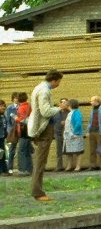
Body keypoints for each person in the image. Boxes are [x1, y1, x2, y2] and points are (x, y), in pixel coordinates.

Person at [28, 70, 63, 201]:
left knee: (40, 160)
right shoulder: (44, 90)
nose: (58, 84)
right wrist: (59, 108)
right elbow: (46, 111)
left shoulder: (39, 87)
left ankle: (38, 190)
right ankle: (38, 192)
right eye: (59, 81)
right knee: (40, 161)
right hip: (44, 128)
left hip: (40, 127)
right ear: (54, 80)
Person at [63, 99, 85, 171]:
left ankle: (78, 166)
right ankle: (69, 166)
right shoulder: (70, 113)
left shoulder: (77, 113)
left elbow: (78, 123)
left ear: (71, 105)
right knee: (69, 152)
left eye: (68, 104)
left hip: (75, 135)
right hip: (68, 136)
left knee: (78, 151)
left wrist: (75, 133)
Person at [15, 92, 33, 177]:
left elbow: (22, 120)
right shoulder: (30, 106)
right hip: (29, 130)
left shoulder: (21, 108)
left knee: (21, 151)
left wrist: (16, 118)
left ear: (18, 99)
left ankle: (22, 170)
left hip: (23, 131)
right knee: (27, 151)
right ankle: (29, 169)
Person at [54, 98, 69, 171]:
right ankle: (59, 166)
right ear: (60, 104)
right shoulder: (56, 112)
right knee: (58, 150)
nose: (64, 104)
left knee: (68, 150)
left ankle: (68, 166)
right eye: (63, 103)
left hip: (67, 134)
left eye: (66, 103)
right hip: (58, 133)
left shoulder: (70, 113)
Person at [5, 92, 18, 174]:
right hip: (13, 130)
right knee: (12, 150)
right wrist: (10, 131)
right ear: (13, 99)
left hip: (21, 130)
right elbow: (8, 121)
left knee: (25, 148)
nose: (16, 99)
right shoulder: (10, 107)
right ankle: (10, 168)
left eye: (18, 98)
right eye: (15, 98)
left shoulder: (21, 107)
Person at [0, 100, 7, 176]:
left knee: (2, 153)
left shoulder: (3, 115)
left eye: (4, 106)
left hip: (2, 137)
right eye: (1, 106)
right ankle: (2, 170)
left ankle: (4, 170)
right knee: (1, 154)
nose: (3, 107)